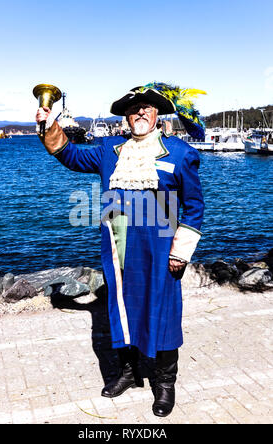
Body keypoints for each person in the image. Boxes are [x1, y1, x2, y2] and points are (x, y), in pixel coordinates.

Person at [35, 82, 205, 417]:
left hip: (160, 250)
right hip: (118, 248)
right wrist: (47, 123)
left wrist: (180, 251)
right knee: (121, 311)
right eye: (133, 109)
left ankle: (164, 383)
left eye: (146, 107)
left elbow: (195, 207)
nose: (139, 112)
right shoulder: (108, 149)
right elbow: (68, 154)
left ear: (156, 113)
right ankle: (127, 373)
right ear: (125, 116)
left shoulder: (180, 153)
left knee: (164, 314)